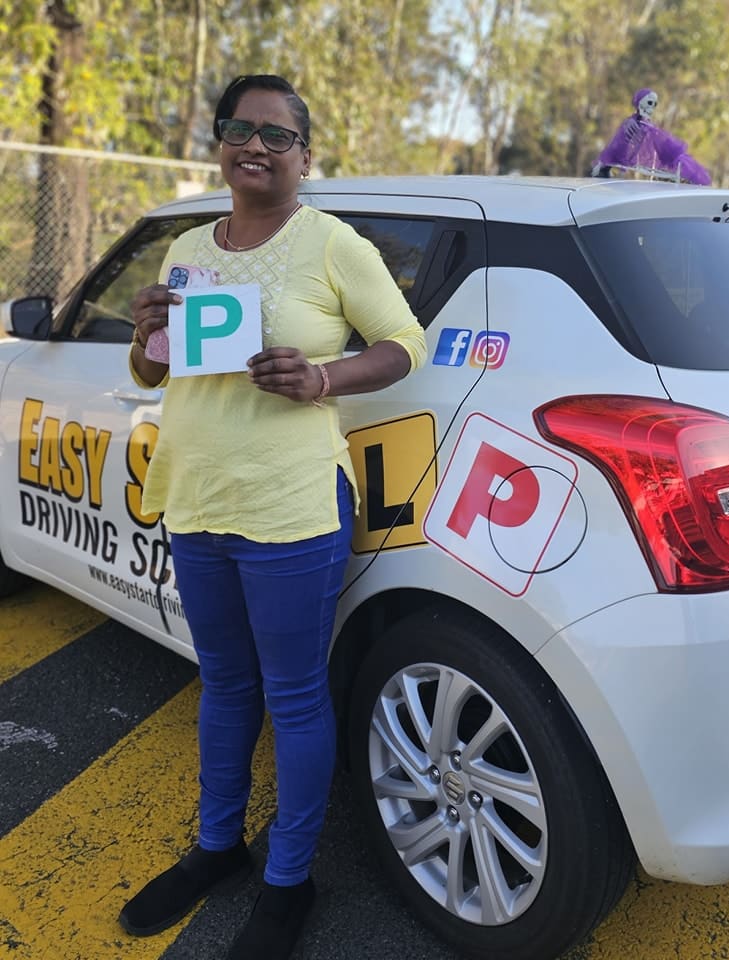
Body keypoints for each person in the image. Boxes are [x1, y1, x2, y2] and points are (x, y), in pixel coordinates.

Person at [117, 74, 427, 960]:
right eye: (237, 129)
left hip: (291, 502)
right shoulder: (183, 248)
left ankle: (289, 879)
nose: (254, 146)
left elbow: (403, 344)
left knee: (292, 695)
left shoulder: (332, 244)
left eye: (275, 135)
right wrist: (144, 334)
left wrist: (322, 378)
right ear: (219, 140)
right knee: (222, 683)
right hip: (197, 493)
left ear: (303, 152)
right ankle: (219, 848)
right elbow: (156, 373)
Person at [591, 87, 712, 185]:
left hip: (626, 159)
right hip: (619, 159)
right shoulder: (633, 123)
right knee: (677, 156)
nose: (652, 107)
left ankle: (685, 168)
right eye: (649, 103)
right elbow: (620, 145)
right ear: (639, 103)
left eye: (655, 104)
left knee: (680, 158)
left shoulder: (645, 125)